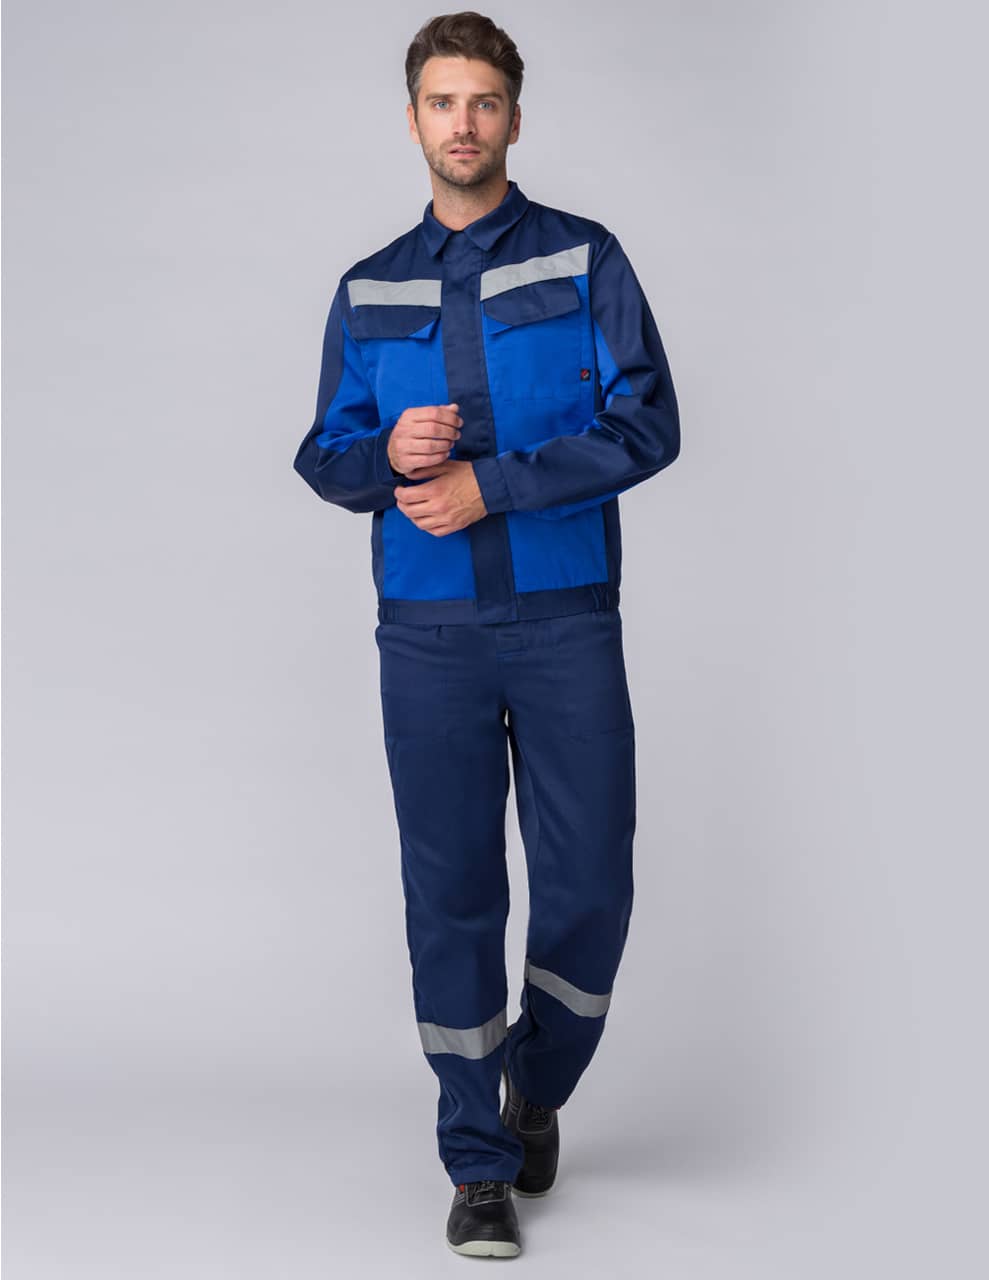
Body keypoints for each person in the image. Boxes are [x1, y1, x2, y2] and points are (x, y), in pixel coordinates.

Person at [293, 11, 680, 1259]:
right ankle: (476, 1160)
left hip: (566, 623)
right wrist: (383, 453)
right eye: (440, 102)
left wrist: (491, 485)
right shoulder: (367, 287)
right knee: (451, 891)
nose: (462, 123)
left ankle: (534, 1084)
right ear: (411, 119)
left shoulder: (583, 257)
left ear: (513, 116)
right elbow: (322, 452)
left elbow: (648, 423)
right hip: (429, 639)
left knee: (591, 884)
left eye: (483, 102)